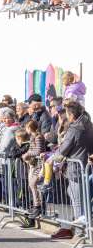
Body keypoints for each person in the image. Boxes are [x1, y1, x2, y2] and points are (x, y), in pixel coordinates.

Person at [51, 102, 93, 240]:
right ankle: (82, 229)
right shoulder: (88, 124)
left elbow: (64, 148)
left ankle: (82, 231)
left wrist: (53, 157)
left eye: (67, 114)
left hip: (76, 167)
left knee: (78, 200)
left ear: (72, 115)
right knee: (75, 194)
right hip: (84, 165)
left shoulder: (75, 128)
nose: (66, 117)